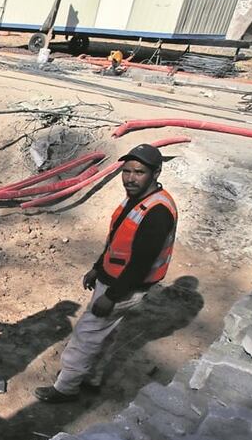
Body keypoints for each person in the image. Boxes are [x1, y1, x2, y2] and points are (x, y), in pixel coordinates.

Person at [35, 144, 178, 403]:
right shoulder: (140, 199)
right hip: (113, 278)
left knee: (87, 334)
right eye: (127, 171)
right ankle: (92, 377)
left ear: (155, 173)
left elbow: (140, 263)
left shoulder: (157, 212)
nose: (130, 178)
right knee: (106, 333)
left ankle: (66, 387)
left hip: (123, 286)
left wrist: (111, 295)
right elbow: (118, 240)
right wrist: (98, 268)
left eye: (139, 172)